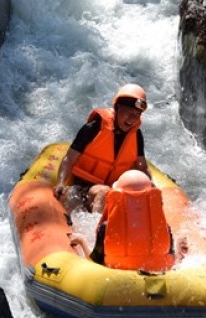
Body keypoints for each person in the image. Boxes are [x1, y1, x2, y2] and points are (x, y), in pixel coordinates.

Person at [54, 84, 151, 213]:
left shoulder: (136, 135)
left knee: (114, 194)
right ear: (117, 108)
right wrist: (61, 182)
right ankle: (97, 229)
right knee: (103, 191)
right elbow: (69, 159)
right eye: (128, 112)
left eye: (137, 114)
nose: (132, 119)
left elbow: (141, 166)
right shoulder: (93, 128)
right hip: (82, 187)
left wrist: (151, 188)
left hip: (114, 189)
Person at [86, 170, 180, 272]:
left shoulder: (106, 227)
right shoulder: (164, 227)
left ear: (118, 197)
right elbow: (171, 261)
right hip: (156, 270)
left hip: (115, 275)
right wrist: (179, 246)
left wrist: (81, 241)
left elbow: (95, 262)